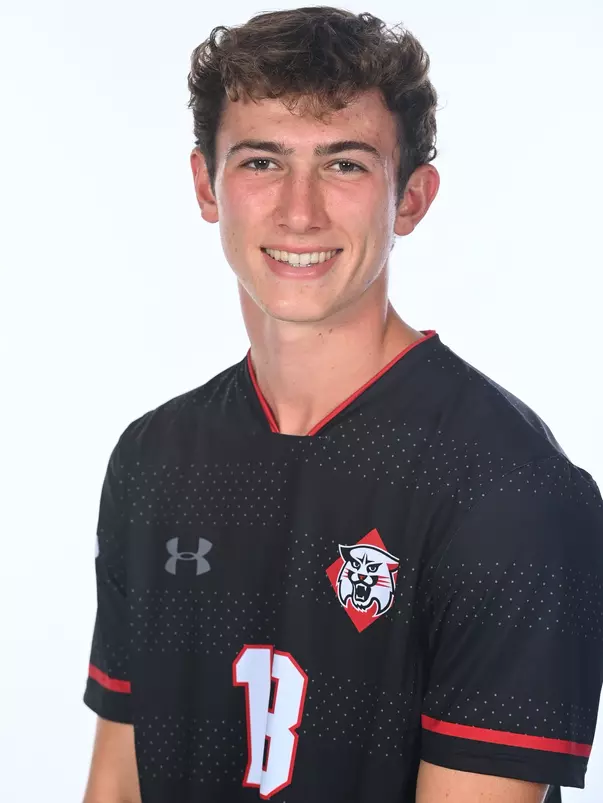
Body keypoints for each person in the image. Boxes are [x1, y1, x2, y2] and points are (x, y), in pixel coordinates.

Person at [81, 7, 603, 803]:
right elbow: (117, 784)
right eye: (261, 161)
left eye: (345, 165)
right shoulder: (154, 457)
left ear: (411, 199)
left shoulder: (512, 490)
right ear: (205, 185)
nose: (299, 212)